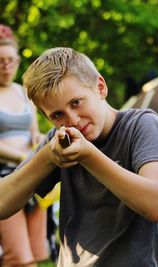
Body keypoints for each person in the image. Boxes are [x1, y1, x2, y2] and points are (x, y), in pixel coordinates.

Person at [0, 47, 158, 266]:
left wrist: (89, 156)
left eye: (76, 102)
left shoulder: (141, 125)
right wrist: (48, 157)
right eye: (57, 115)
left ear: (100, 87)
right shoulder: (59, 141)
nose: (73, 120)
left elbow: (157, 205)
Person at [0, 24, 49, 267]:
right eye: (0, 61)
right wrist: (23, 157)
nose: (6, 66)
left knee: (37, 252)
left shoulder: (23, 93)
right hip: (5, 177)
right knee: (18, 257)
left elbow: (33, 132)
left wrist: (42, 141)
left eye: (10, 60)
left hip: (32, 171)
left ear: (18, 60)